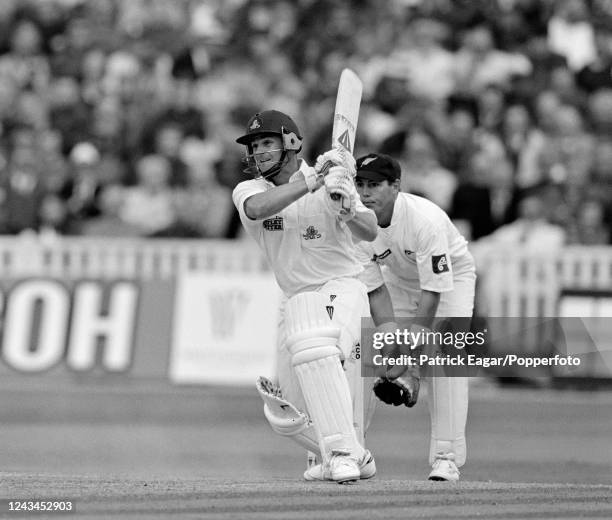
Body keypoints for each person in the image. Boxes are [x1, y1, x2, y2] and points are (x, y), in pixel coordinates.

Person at [232, 110, 379, 483]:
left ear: (292, 142)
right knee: (289, 414)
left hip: (342, 287)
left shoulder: (335, 181)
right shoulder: (250, 191)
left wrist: (347, 209)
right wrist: (311, 179)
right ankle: (349, 455)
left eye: (267, 142)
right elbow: (258, 210)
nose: (259, 152)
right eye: (255, 146)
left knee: (315, 346)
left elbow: (371, 230)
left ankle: (344, 452)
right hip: (295, 297)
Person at [353, 153, 476, 482]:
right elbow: (375, 291)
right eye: (360, 184)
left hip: (451, 282)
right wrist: (391, 343)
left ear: (395, 186)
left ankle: (446, 457)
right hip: (397, 280)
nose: (365, 194)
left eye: (374, 185)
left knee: (447, 356)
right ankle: (352, 452)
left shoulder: (425, 220)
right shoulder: (354, 223)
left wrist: (413, 361)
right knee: (368, 351)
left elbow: (434, 292)